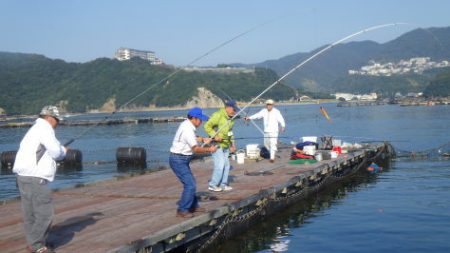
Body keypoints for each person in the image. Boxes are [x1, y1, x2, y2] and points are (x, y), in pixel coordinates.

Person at [13, 105, 68, 253]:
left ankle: (35, 243)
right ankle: (36, 245)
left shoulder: (34, 130)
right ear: (50, 118)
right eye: (57, 120)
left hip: (22, 177)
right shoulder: (45, 129)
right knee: (45, 213)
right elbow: (56, 152)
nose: (58, 123)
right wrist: (63, 151)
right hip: (35, 178)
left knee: (30, 213)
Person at [169, 107, 217, 218]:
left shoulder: (186, 124)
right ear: (194, 119)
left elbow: (193, 138)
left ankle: (193, 205)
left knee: (190, 183)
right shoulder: (188, 130)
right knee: (190, 185)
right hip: (178, 160)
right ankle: (182, 210)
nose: (201, 122)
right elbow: (195, 149)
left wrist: (203, 139)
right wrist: (210, 149)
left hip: (181, 159)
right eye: (200, 119)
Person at [204, 100, 238, 192]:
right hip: (216, 145)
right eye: (234, 110)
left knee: (226, 165)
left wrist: (232, 144)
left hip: (226, 145)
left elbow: (230, 132)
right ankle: (213, 184)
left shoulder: (231, 119)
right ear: (228, 108)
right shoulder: (218, 115)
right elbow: (207, 126)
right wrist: (215, 136)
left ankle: (223, 184)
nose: (235, 112)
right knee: (220, 165)